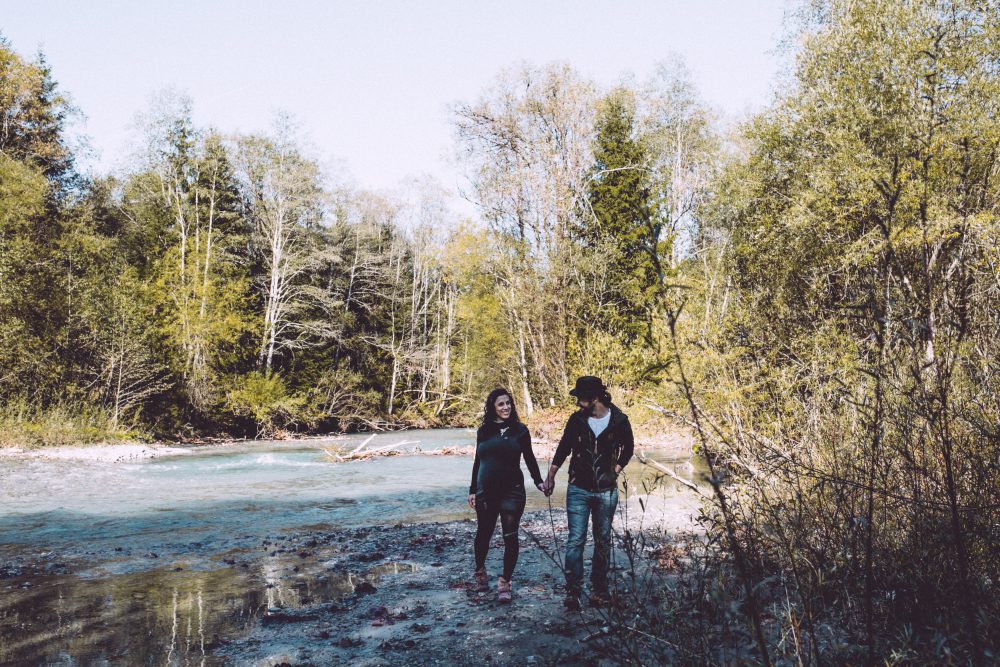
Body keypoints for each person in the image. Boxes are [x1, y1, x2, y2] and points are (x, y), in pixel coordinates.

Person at [543, 376, 634, 609]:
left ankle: (599, 590)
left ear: (595, 398)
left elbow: (629, 448)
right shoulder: (576, 420)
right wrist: (551, 475)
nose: (577, 402)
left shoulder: (619, 420)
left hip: (606, 491)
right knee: (576, 540)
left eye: (580, 398)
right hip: (578, 489)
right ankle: (573, 592)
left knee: (603, 540)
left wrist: (616, 469)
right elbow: (564, 447)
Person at [468, 388, 546, 603]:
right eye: (501, 404)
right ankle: (480, 571)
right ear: (493, 406)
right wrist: (472, 490)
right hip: (486, 491)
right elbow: (478, 462)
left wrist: (539, 481)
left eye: (508, 403)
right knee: (484, 533)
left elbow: (529, 458)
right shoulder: (484, 431)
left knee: (510, 537)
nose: (506, 407)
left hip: (513, 491)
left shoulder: (520, 431)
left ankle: (505, 581)